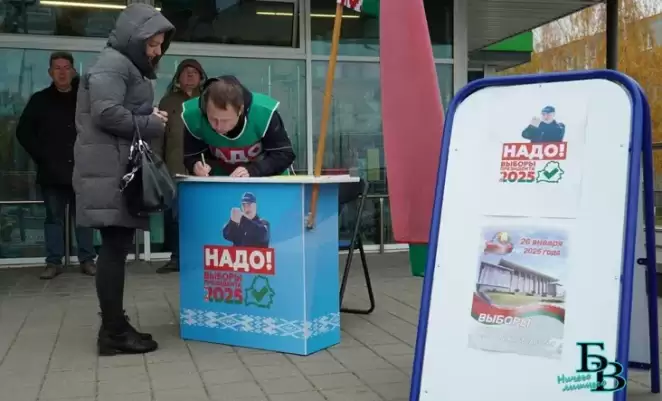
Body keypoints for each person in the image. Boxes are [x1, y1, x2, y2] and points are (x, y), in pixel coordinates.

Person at [72, 4, 174, 356]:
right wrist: (151, 123)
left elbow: (117, 110)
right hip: (110, 173)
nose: (157, 51)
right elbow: (106, 113)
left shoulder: (120, 64)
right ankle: (113, 332)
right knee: (114, 251)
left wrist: (146, 115)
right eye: (152, 44)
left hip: (112, 169)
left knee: (115, 249)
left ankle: (114, 326)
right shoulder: (113, 64)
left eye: (160, 45)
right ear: (135, 38)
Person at [16, 51, 97, 280]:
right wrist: (42, 156)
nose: (62, 72)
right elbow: (23, 132)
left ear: (73, 71)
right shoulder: (40, 100)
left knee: (84, 219)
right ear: (50, 72)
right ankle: (53, 262)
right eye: (57, 68)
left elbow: (98, 129)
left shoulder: (85, 100)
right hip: (52, 172)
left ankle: (87, 260)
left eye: (66, 68)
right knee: (54, 219)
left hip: (81, 170)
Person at [182, 75, 296, 178]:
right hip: (220, 183)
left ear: (240, 110)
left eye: (225, 120)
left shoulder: (263, 113)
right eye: (213, 119)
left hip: (266, 182)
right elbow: (191, 156)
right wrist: (195, 165)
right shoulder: (194, 116)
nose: (218, 126)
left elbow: (284, 155)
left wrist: (254, 170)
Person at [154, 59, 208, 274]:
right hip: (174, 168)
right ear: (178, 77)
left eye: (194, 72)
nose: (190, 75)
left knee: (201, 215)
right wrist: (157, 163)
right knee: (174, 216)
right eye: (186, 72)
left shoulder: (208, 100)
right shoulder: (168, 102)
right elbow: (158, 135)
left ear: (201, 77)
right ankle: (176, 258)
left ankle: (201, 258)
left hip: (203, 169)